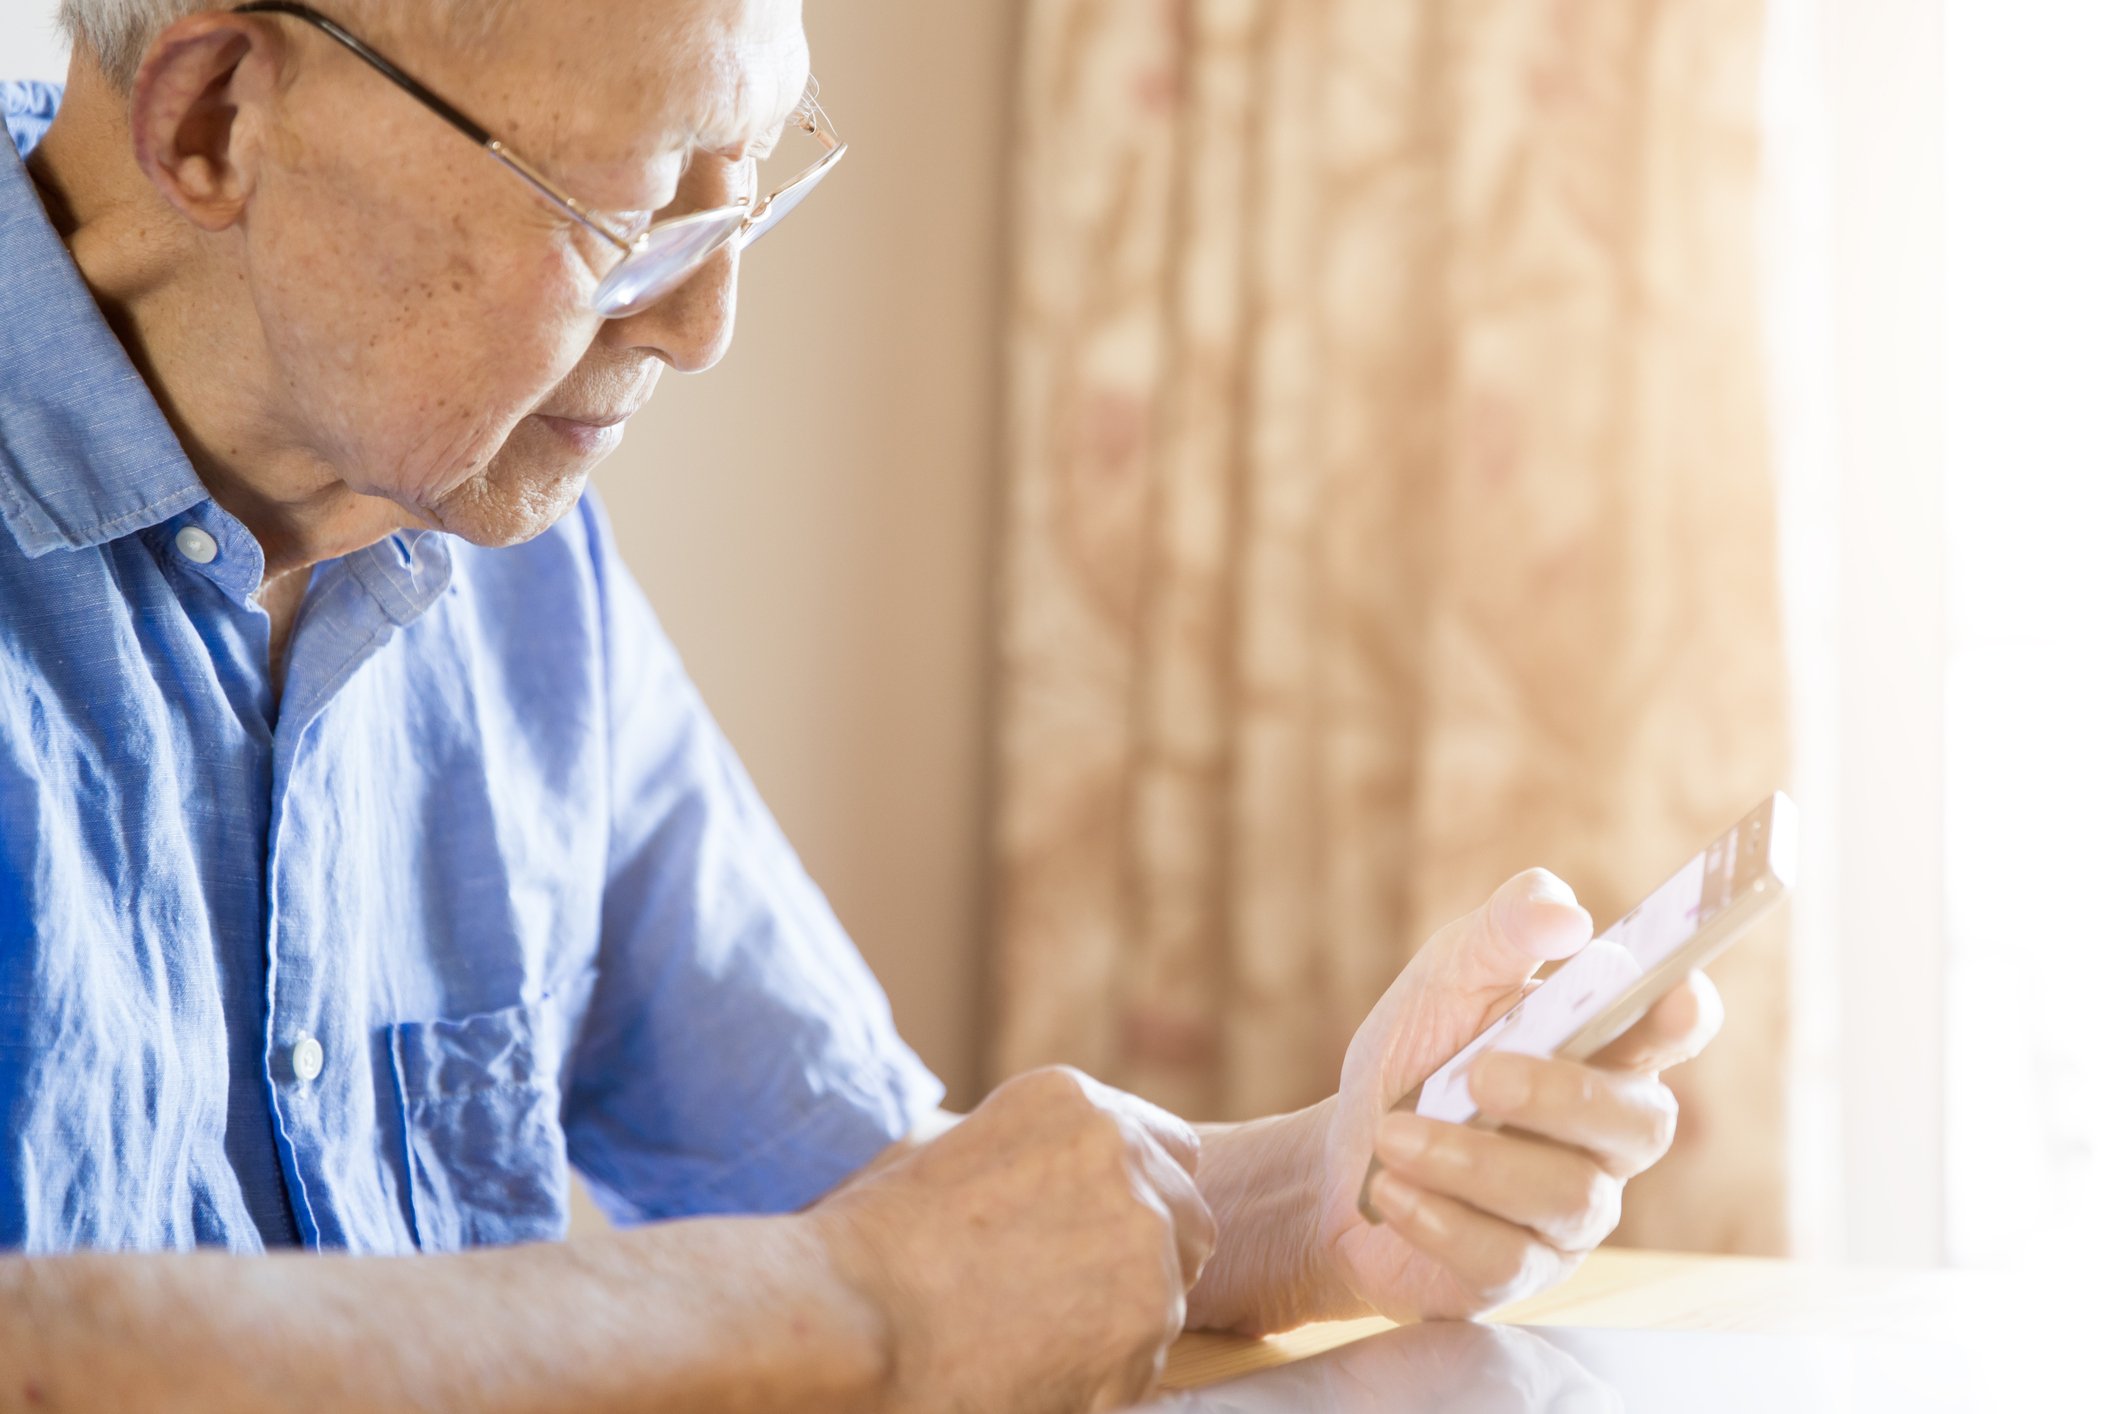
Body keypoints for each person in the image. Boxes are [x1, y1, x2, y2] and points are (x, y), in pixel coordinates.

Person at [0, 2, 1724, 1408]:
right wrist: (843, 1299)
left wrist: (1337, 1189)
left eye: (746, 187)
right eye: (626, 210)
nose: (703, 321)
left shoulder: (493, 532)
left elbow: (882, 1200)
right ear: (216, 115)